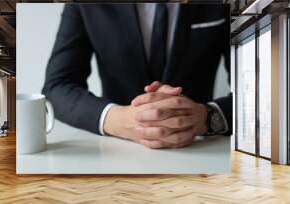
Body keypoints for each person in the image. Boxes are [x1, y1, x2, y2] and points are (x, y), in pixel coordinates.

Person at [42, 3, 232, 149]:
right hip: (116, 152)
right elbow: (57, 85)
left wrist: (209, 117)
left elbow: (257, 88)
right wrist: (117, 120)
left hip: (203, 149)